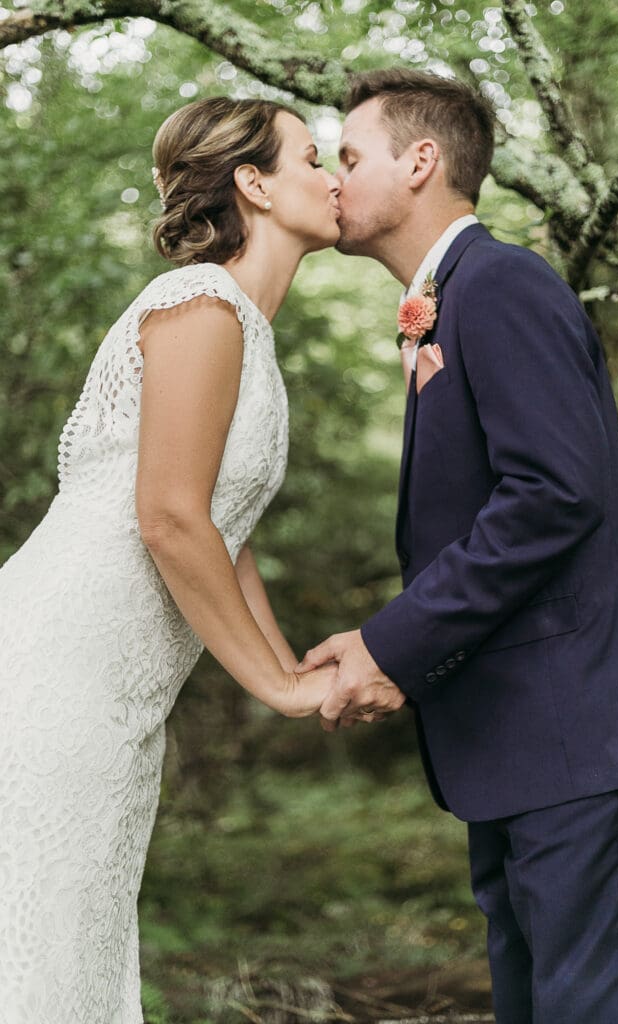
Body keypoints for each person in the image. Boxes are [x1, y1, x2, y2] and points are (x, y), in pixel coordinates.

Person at [298, 69, 618, 1022]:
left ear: (421, 161)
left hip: (587, 745)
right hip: (521, 747)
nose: (334, 179)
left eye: (349, 156)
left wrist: (390, 644)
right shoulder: (451, 300)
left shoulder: (502, 283)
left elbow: (552, 497)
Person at [0, 95, 342, 1022]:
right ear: (254, 183)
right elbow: (169, 519)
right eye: (316, 158)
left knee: (80, 937)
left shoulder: (246, 329)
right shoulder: (202, 305)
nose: (336, 176)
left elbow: (224, 537)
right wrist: (274, 691)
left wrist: (292, 670)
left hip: (116, 703)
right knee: (42, 947)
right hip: (56, 680)